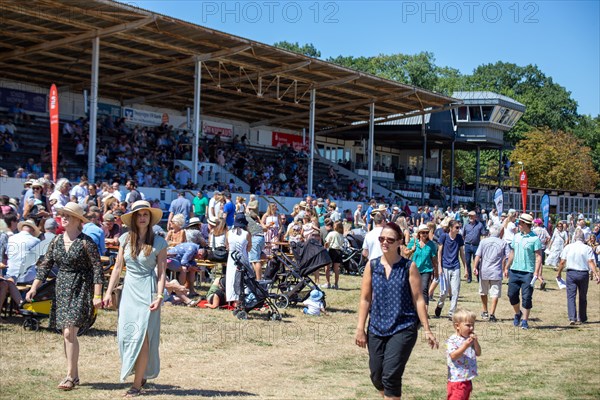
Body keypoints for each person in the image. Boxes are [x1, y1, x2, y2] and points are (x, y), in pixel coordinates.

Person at [355, 222, 438, 400]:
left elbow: (418, 299)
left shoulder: (409, 267)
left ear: (400, 241)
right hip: (376, 327)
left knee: (390, 376)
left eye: (390, 239)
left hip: (403, 327)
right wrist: (360, 328)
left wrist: (427, 329)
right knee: (377, 376)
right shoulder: (372, 265)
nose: (384, 242)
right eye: (381, 239)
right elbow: (365, 299)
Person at [25, 203, 103, 391]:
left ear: (78, 220)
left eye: (68, 215)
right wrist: (34, 287)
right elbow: (45, 265)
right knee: (66, 333)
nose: (63, 218)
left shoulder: (87, 242)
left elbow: (97, 270)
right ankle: (74, 374)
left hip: (81, 287)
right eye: (62, 215)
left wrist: (98, 295)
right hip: (61, 288)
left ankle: (69, 376)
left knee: (69, 332)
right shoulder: (56, 241)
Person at [102, 200, 167, 397]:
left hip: (147, 290)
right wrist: (107, 292)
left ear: (150, 218)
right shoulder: (124, 239)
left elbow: (162, 273)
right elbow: (118, 267)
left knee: (143, 338)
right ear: (133, 218)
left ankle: (137, 385)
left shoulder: (159, 242)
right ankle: (140, 372)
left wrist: (160, 296)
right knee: (127, 335)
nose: (142, 218)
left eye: (145, 214)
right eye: (138, 215)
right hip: (129, 290)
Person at [504, 213, 542, 330]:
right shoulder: (516, 236)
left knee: (526, 297)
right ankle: (517, 313)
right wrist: (506, 267)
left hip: (528, 272)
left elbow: (538, 257)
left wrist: (536, 272)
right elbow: (512, 252)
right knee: (512, 295)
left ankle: (525, 320)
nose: (518, 224)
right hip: (514, 271)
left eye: (519, 223)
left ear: (525, 224)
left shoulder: (535, 239)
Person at [556, 228, 600, 325]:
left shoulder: (568, 247)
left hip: (571, 273)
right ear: (583, 238)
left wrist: (559, 273)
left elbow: (562, 261)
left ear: (574, 237)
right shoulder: (587, 248)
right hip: (583, 274)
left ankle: (572, 317)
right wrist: (596, 274)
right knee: (583, 296)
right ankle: (582, 317)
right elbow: (591, 262)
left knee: (571, 296)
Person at [472, 225, 509, 322]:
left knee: (483, 291)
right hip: (496, 271)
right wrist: (506, 268)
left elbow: (477, 255)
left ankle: (485, 311)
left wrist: (475, 267)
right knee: (495, 293)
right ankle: (492, 314)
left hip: (484, 270)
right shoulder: (503, 243)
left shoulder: (483, 241)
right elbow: (508, 256)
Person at [447, 309, 481, 400]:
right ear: (457, 326)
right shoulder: (453, 340)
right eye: (468, 325)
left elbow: (478, 353)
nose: (471, 328)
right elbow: (453, 355)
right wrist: (465, 346)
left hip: (467, 379)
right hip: (457, 381)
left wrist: (476, 342)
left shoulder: (469, 339)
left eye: (473, 325)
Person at [435, 220, 467, 320]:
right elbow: (439, 252)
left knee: (455, 291)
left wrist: (466, 268)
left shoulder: (459, 238)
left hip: (456, 266)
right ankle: (440, 305)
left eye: (459, 227)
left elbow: (462, 253)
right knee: (443, 292)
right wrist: (439, 267)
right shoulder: (444, 237)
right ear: (451, 228)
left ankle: (451, 313)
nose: (458, 229)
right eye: (457, 227)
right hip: (445, 266)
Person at [406, 224, 438, 310]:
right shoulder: (414, 242)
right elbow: (405, 253)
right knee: (413, 289)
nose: (425, 234)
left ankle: (425, 310)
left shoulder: (431, 244)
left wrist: (436, 271)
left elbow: (434, 259)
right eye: (423, 232)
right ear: (419, 233)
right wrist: (412, 250)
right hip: (414, 269)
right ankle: (414, 309)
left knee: (424, 289)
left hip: (426, 270)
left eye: (426, 232)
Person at [225, 214, 251, 307]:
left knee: (232, 278)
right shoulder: (247, 234)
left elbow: (227, 246)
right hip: (243, 257)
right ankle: (241, 299)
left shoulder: (228, 233)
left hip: (231, 258)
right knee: (243, 279)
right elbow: (249, 248)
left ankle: (233, 300)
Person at [463, 211, 486, 283]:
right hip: (467, 245)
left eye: (472, 216)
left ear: (475, 217)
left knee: (477, 262)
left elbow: (483, 234)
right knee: (467, 261)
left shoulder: (480, 225)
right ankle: (469, 277)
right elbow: (463, 235)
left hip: (476, 246)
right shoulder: (466, 225)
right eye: (469, 216)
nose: (470, 217)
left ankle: (478, 277)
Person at [324, 221, 344, 289]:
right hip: (339, 251)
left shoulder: (331, 233)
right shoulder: (341, 235)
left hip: (332, 250)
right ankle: (336, 284)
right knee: (336, 269)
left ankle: (328, 283)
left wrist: (325, 248)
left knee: (327, 268)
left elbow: (327, 243)